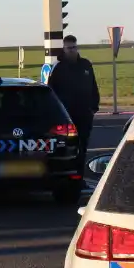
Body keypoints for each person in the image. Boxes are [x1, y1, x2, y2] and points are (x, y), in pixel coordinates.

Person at [46, 35, 100, 179]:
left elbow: (93, 86)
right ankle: (67, 177)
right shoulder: (58, 68)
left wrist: (94, 107)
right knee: (68, 148)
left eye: (74, 47)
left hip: (85, 114)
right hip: (67, 116)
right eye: (69, 48)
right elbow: (51, 91)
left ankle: (79, 177)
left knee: (82, 147)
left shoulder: (85, 65)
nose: (72, 50)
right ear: (64, 49)